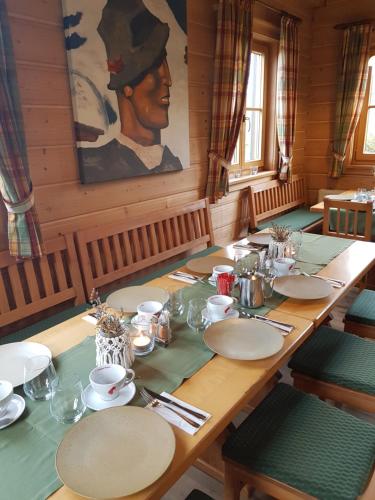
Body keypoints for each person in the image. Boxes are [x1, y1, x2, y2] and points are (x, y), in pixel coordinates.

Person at [78, 0, 183, 183]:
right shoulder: (94, 165)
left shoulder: (173, 163)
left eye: (164, 64)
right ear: (127, 86)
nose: (168, 79)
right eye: (155, 66)